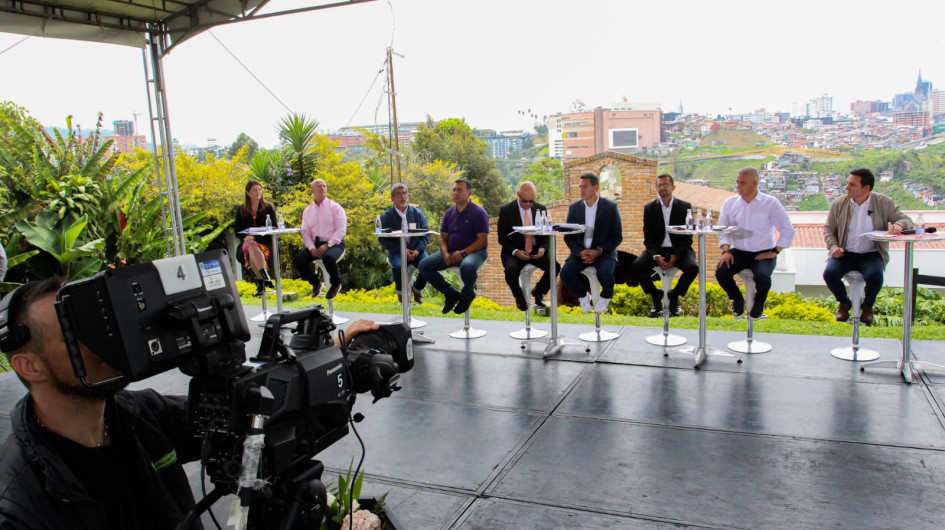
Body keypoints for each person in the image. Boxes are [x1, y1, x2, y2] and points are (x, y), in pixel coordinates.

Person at [0, 278, 378, 529]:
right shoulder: (19, 505)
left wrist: (330, 352)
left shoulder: (139, 416)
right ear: (29, 366)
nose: (102, 342)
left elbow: (252, 411)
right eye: (74, 334)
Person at [823, 168, 912, 325]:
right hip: (845, 252)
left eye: (852, 184)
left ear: (866, 188)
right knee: (829, 274)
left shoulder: (883, 202)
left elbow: (906, 220)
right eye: (847, 183)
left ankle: (868, 306)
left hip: (871, 253)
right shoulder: (839, 203)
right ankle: (844, 302)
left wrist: (898, 225)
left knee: (875, 277)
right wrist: (833, 247)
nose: (847, 188)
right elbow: (829, 229)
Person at [715, 167, 795, 320]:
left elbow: (787, 230)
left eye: (742, 183)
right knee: (721, 273)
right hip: (738, 251)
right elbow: (723, 229)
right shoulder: (730, 203)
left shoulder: (770, 203)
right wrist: (725, 250)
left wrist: (776, 251)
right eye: (737, 182)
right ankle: (737, 299)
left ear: (755, 184)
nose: (738, 186)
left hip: (763, 251)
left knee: (762, 277)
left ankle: (759, 302)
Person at [630, 173, 699, 317]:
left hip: (680, 248)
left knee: (693, 268)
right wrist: (656, 256)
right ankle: (655, 295)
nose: (662, 188)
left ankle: (675, 295)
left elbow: (687, 237)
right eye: (659, 185)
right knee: (637, 265)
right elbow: (648, 237)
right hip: (657, 249)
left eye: (665, 185)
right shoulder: (649, 208)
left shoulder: (685, 207)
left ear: (673, 187)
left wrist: (675, 256)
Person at [417, 178, 489, 315]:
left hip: (475, 252)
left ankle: (467, 295)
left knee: (467, 266)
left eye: (460, 190)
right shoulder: (449, 213)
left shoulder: (479, 213)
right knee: (424, 266)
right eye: (454, 190)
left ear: (469, 193)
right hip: (450, 251)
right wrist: (445, 254)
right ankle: (451, 294)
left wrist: (462, 253)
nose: (456, 192)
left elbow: (482, 240)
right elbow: (443, 238)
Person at [560, 172, 623, 313]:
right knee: (565, 273)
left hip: (604, 253)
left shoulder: (610, 207)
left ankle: (605, 298)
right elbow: (568, 236)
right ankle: (583, 296)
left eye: (585, 187)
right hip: (580, 253)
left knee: (606, 274)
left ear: (595, 187)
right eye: (580, 187)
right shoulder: (574, 208)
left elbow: (617, 237)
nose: (581, 190)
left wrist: (598, 251)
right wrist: (579, 252)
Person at [497, 181, 559, 311]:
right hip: (514, 250)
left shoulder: (540, 208)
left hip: (536, 250)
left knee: (555, 266)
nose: (528, 204)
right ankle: (519, 296)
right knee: (511, 270)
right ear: (518, 194)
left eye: (531, 201)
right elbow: (502, 238)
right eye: (525, 201)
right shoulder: (506, 210)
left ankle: (539, 291)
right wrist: (516, 251)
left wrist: (543, 249)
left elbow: (546, 235)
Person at [293, 178, 347, 300]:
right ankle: (316, 283)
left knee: (328, 257)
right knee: (298, 260)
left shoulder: (335, 207)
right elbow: (305, 232)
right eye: (319, 186)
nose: (322, 188)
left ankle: (336, 283)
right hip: (315, 244)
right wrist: (311, 248)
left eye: (324, 186)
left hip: (334, 243)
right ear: (312, 191)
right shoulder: (307, 211)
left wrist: (328, 245)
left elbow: (341, 230)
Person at [379, 183, 430, 304]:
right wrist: (402, 250)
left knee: (427, 264)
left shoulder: (417, 213)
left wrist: (418, 250)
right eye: (398, 194)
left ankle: (417, 289)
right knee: (398, 267)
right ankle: (401, 293)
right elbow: (383, 239)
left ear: (408, 195)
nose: (402, 196)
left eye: (404, 193)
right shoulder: (386, 216)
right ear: (392, 198)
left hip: (416, 250)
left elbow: (425, 235)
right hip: (397, 251)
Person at [233, 180, 278, 296]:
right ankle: (265, 274)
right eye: (254, 190)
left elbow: (274, 227)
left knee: (252, 245)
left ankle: (260, 281)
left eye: (259, 189)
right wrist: (246, 237)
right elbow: (237, 230)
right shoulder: (241, 209)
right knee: (250, 245)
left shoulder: (268, 207)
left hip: (265, 243)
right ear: (248, 192)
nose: (258, 192)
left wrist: (255, 236)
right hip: (247, 243)